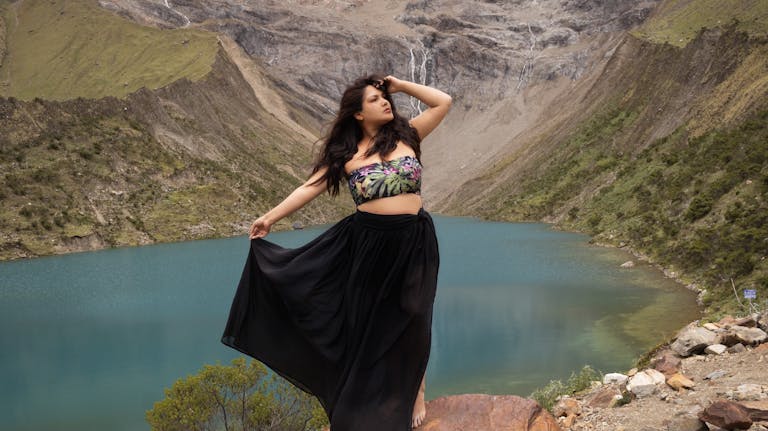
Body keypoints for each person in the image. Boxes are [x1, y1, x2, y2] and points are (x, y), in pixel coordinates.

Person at [221, 74, 452, 431]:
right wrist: (270, 217)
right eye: (375, 99)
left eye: (384, 97)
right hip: (369, 244)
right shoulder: (345, 155)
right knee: (372, 320)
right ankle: (363, 399)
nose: (384, 102)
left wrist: (400, 86)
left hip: (414, 239)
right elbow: (308, 187)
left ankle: (416, 389)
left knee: (416, 312)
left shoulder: (408, 135)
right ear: (358, 114)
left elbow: (443, 102)